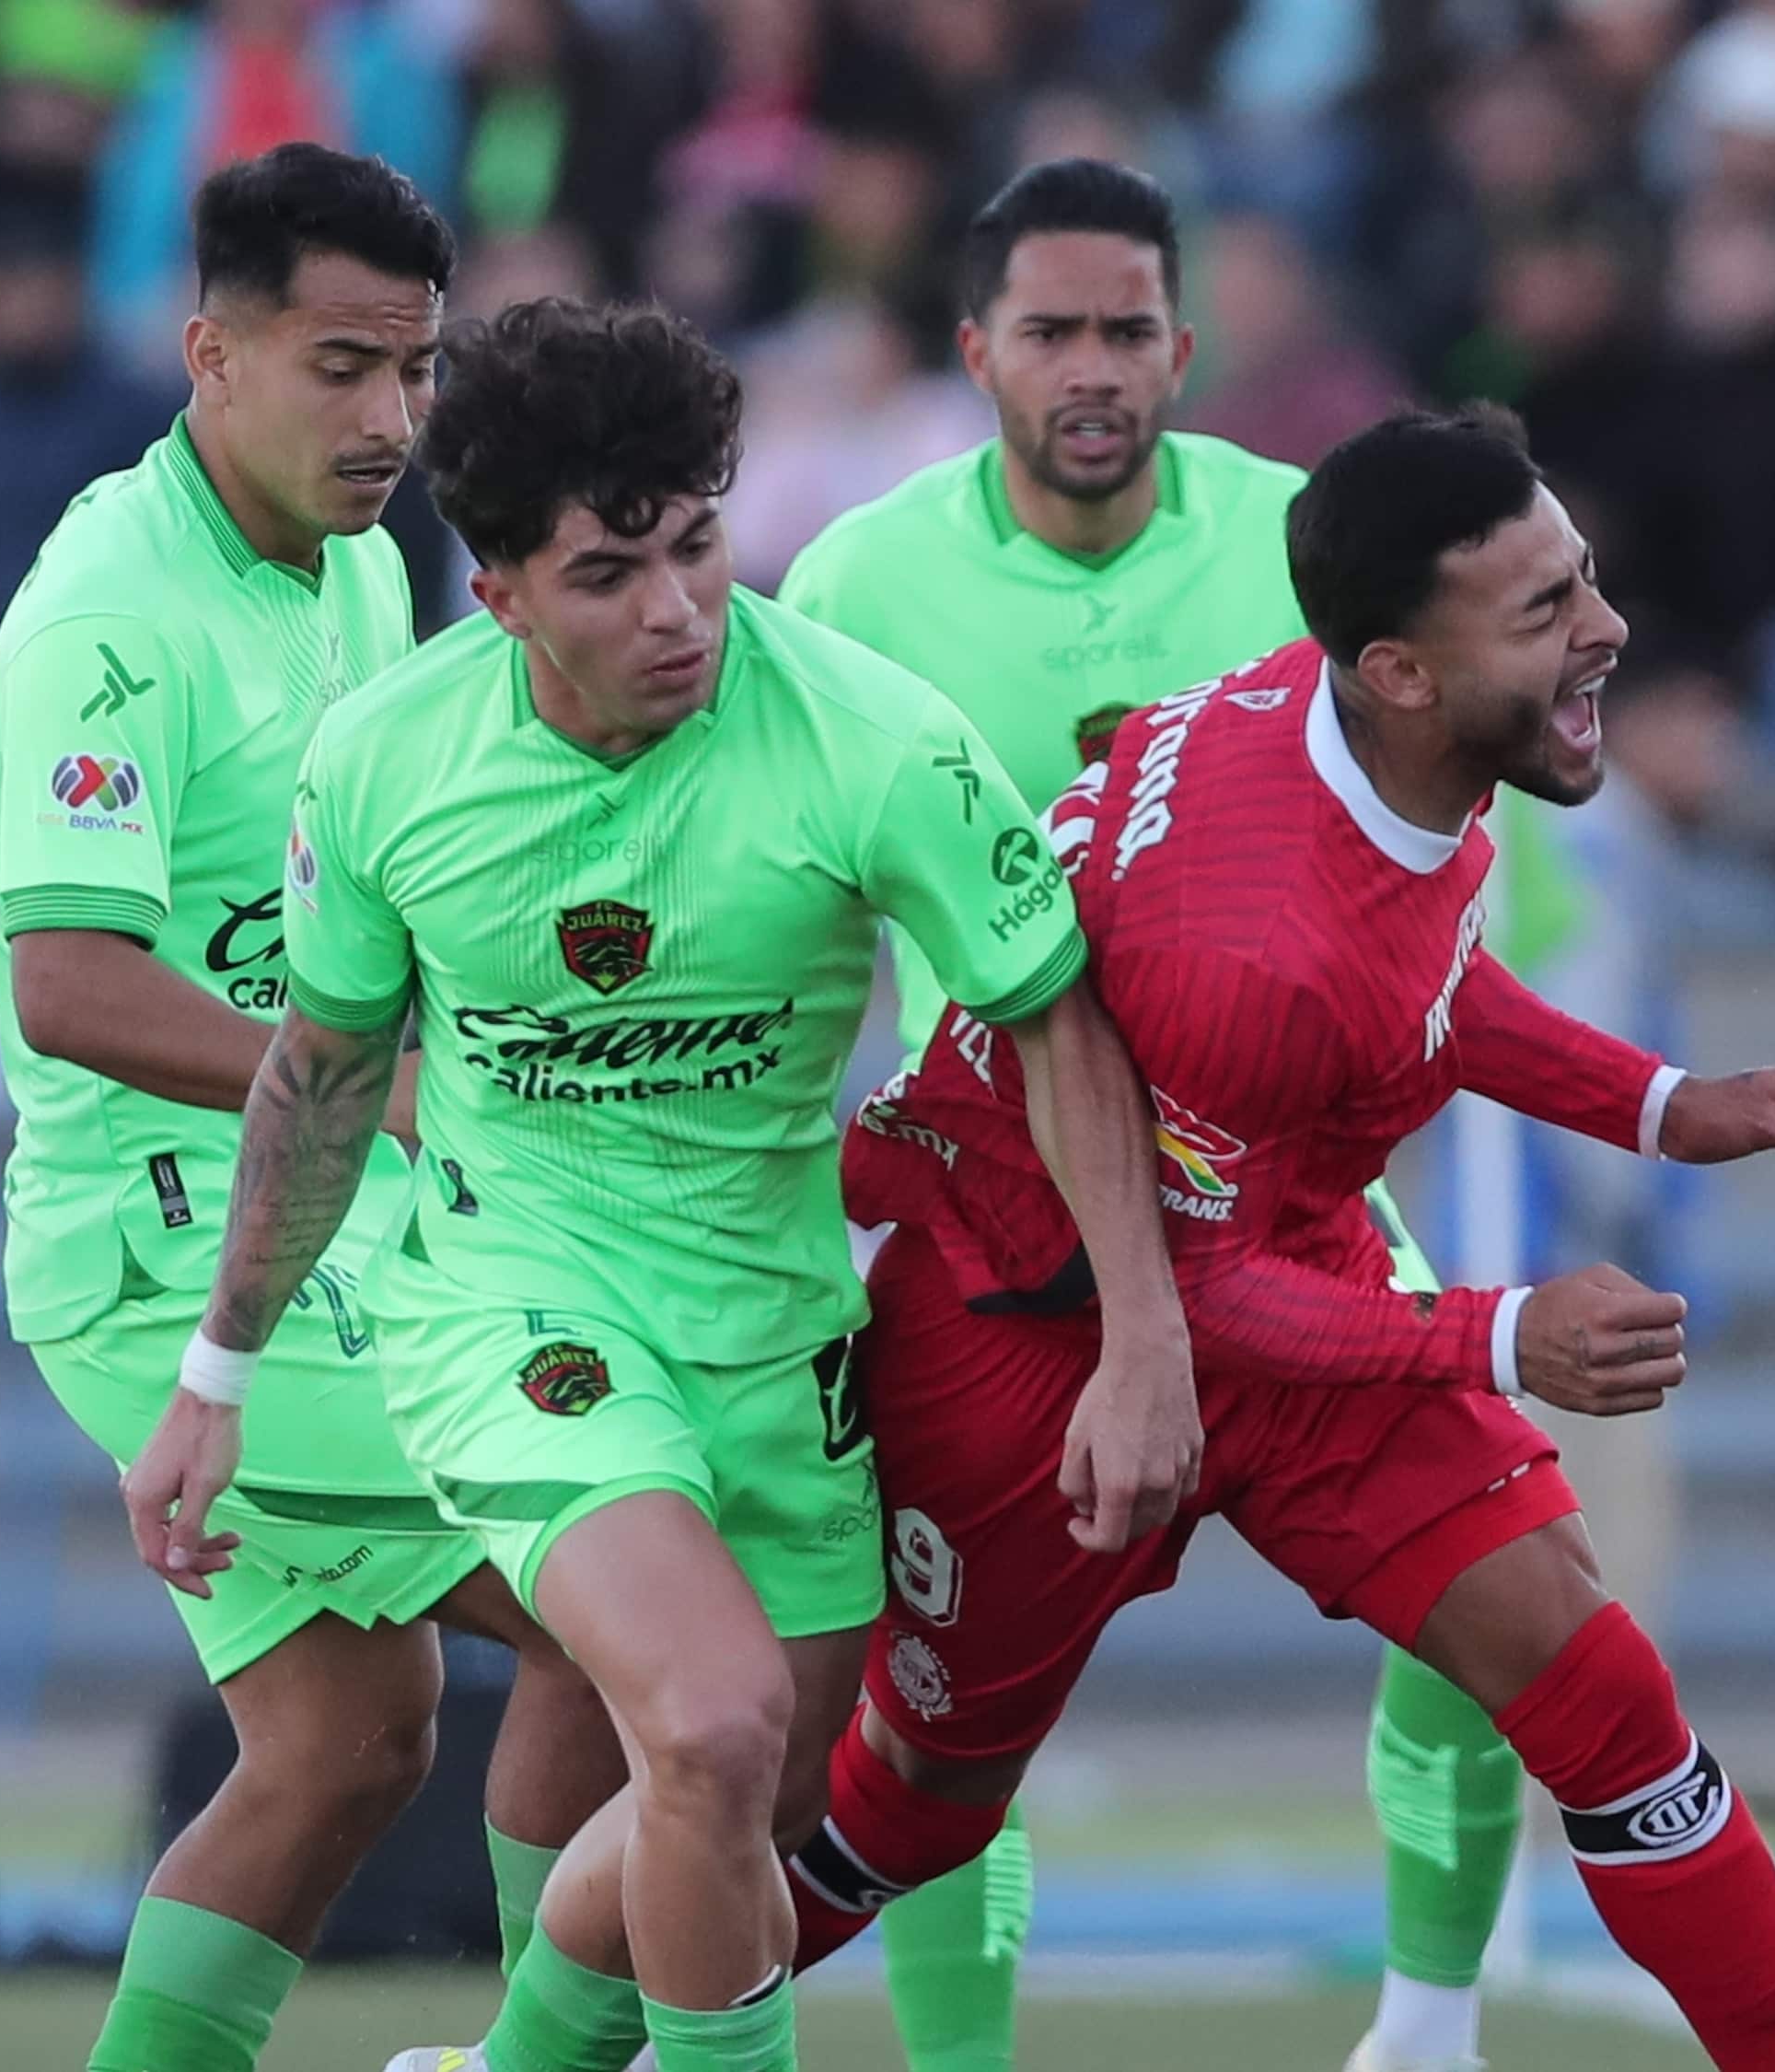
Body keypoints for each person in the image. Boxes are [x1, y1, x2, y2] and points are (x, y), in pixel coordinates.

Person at [117, 293, 1187, 2072]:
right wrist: (216, 1374)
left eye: (698, 547)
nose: (679, 608)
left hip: (778, 1337)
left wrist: (1142, 1336)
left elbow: (1055, 1022)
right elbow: (322, 1073)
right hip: (513, 1310)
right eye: (611, 574)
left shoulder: (870, 736)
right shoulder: (387, 763)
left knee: (743, 1791)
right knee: (706, 1719)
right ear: (504, 593)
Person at [783, 407, 1775, 2072]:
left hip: (1262, 1271)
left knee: (1602, 1696)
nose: (1607, 631)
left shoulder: (1373, 749)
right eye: (1546, 612)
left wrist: (1677, 1103)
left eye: (1580, 578)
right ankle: (551, 2049)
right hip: (1033, 1331)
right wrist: (1509, 1338)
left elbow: (1423, 995)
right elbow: (1201, 1286)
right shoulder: (1262, 941)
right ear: (1402, 670)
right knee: (900, 1817)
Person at [773, 155, 1521, 2072]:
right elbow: (798, 897)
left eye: (1125, 329)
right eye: (1050, 332)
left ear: (1182, 345)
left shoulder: (1301, 541)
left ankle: (1427, 2033)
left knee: (1495, 1595)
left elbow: (1433, 837)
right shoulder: (860, 580)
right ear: (975, 352)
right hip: (996, 1228)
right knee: (948, 1710)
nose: (1091, 367)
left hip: (1279, 1206)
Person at [0, 146, 619, 2072]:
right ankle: (548, 2061)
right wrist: (393, 1084)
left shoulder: (359, 564)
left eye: (412, 373)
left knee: (348, 1750)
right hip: (161, 1251)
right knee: (624, 1572)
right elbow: (66, 984)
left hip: (336, 1210)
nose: (390, 421)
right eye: (340, 368)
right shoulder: (111, 616)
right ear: (210, 357)